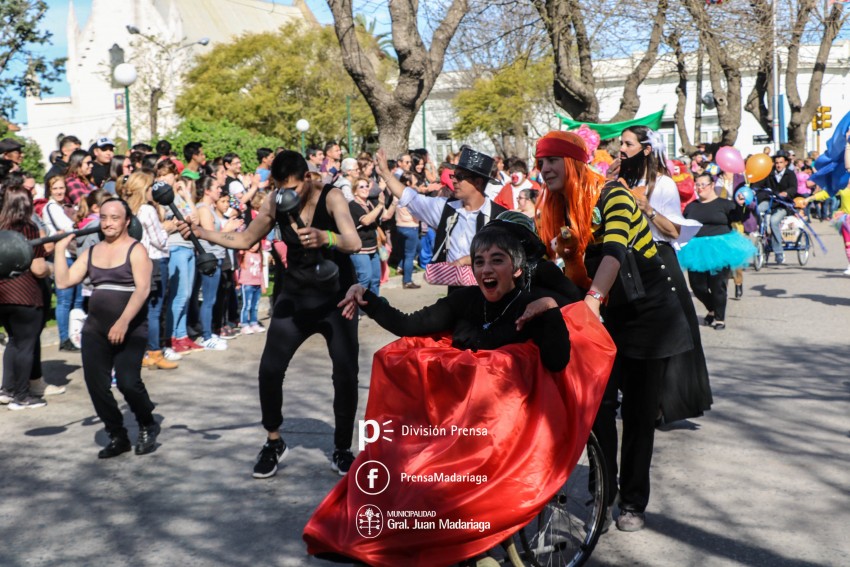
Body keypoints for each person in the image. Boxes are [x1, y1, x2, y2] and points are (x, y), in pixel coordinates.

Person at [304, 216, 613, 565]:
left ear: (516, 268)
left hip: (508, 434)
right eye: (479, 261)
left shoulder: (535, 301)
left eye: (497, 259)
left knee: (437, 480)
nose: (486, 268)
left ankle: (469, 548)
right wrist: (368, 300)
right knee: (398, 462)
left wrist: (549, 310)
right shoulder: (465, 300)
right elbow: (410, 324)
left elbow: (557, 361)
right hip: (459, 423)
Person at [535, 130, 693, 532]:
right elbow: (552, 261)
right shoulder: (561, 207)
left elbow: (615, 251)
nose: (545, 169)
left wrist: (592, 300)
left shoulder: (613, 194)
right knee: (598, 408)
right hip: (605, 314)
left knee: (640, 414)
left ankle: (633, 503)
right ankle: (603, 494)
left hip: (648, 314)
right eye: (540, 162)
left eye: (553, 160)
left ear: (573, 163)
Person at [177, 151, 361, 479]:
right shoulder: (276, 201)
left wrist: (326, 237)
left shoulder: (331, 197)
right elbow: (246, 237)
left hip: (336, 297)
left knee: (345, 374)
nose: (287, 194)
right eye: (279, 187)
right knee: (270, 370)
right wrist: (202, 234)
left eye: (292, 187)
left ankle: (342, 448)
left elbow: (354, 240)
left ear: (307, 178)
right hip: (294, 298)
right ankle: (274, 440)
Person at [616, 126, 710, 426]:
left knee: (669, 332)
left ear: (645, 149)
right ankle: (636, 393)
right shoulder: (621, 180)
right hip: (626, 260)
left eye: (627, 143)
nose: (620, 148)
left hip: (658, 259)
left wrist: (647, 210)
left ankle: (661, 400)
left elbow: (675, 231)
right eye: (620, 143)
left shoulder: (663, 184)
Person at [54, 199, 160, 458]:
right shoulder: (91, 251)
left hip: (131, 328)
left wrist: (123, 322)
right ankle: (117, 435)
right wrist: (58, 250)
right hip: (96, 330)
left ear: (126, 221)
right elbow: (64, 280)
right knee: (96, 386)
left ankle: (147, 421)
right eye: (103, 218)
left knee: (127, 382)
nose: (108, 223)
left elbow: (143, 289)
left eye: (114, 218)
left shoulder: (136, 250)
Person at [376, 146, 508, 293]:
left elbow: (506, 256)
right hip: (455, 288)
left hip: (490, 289)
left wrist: (466, 260)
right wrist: (386, 173)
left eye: (460, 177)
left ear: (478, 182)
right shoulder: (447, 208)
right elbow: (410, 198)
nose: (454, 181)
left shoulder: (498, 215)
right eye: (453, 176)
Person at [679, 173, 756, 330]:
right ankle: (712, 309)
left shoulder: (725, 204)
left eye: (703, 185)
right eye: (697, 185)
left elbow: (737, 217)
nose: (700, 188)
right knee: (697, 286)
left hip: (720, 247)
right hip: (697, 249)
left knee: (718, 285)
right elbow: (683, 224)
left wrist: (741, 205)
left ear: (712, 185)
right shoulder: (691, 206)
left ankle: (720, 318)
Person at [0, 187, 51, 410]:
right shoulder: (28, 229)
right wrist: (52, 269)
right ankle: (21, 395)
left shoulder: (1, 228)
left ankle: (7, 389)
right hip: (25, 294)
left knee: (13, 341)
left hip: (2, 294)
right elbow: (38, 268)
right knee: (26, 345)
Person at [123, 171, 179, 370]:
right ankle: (155, 351)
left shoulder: (128, 208)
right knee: (155, 309)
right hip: (155, 260)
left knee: (141, 309)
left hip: (136, 260)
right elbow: (159, 240)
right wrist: (170, 228)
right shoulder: (147, 210)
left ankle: (142, 351)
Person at [42, 175, 84, 352]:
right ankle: (64, 338)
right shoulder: (51, 207)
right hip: (63, 255)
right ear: (49, 190)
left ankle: (77, 336)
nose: (60, 192)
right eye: (55, 189)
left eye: (61, 188)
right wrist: (79, 221)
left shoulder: (64, 206)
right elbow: (68, 227)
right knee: (65, 299)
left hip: (74, 254)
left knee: (78, 298)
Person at [349, 176, 392, 297]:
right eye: (361, 186)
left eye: (367, 186)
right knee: (364, 279)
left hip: (373, 246)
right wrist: (380, 205)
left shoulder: (370, 204)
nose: (365, 189)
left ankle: (374, 306)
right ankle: (356, 308)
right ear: (354, 191)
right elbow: (366, 221)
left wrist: (394, 203)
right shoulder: (352, 206)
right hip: (360, 248)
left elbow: (385, 216)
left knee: (375, 279)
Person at [754, 149, 797, 264]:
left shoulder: (790, 174)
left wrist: (786, 193)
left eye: (781, 162)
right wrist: (754, 190)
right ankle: (761, 230)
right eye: (777, 163)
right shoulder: (769, 173)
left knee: (774, 221)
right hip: (770, 201)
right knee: (757, 209)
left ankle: (779, 252)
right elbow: (759, 184)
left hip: (783, 205)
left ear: (786, 163)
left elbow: (794, 188)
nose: (778, 165)